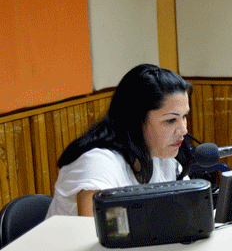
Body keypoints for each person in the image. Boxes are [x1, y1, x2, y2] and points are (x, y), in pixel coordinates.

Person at [46, 63, 194, 218]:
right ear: (135, 119)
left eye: (184, 116)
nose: (184, 130)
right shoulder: (97, 163)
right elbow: (94, 237)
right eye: (170, 120)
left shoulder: (162, 155)